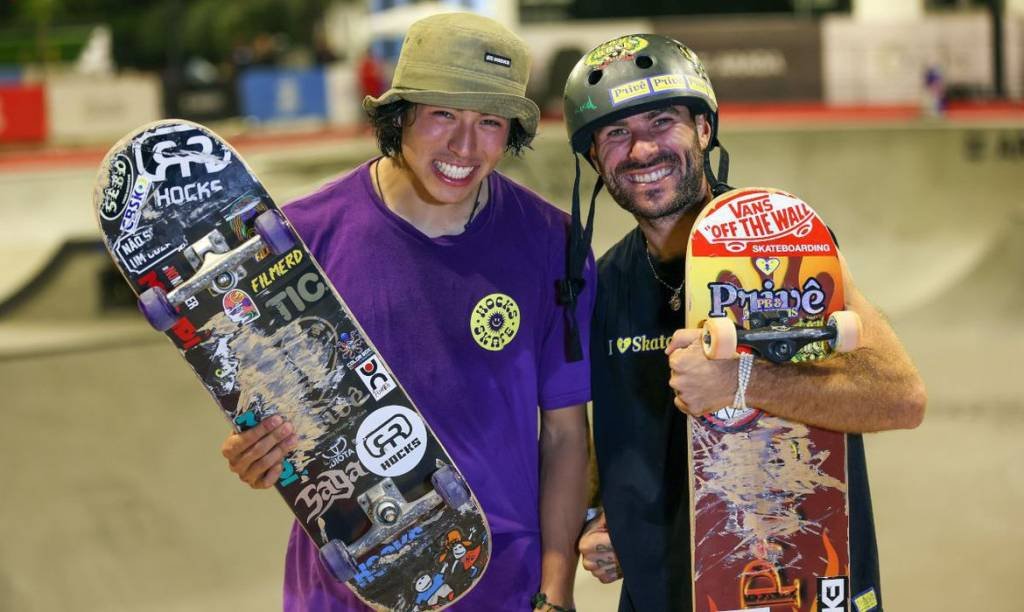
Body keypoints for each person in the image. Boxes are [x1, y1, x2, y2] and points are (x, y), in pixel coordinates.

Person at [220, 13, 592, 611]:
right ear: (400, 117)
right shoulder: (302, 241)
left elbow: (566, 437)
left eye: (489, 123)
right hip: (348, 586)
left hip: (505, 584)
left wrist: (556, 590)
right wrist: (259, 455)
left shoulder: (554, 245)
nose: (465, 148)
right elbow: (276, 423)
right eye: (443, 114)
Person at [563, 35, 927, 611]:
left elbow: (900, 399)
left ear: (704, 129)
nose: (640, 150)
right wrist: (602, 513)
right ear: (592, 157)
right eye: (615, 133)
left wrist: (743, 383)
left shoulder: (785, 246)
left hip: (798, 589)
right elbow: (618, 429)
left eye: (661, 122)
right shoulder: (602, 285)